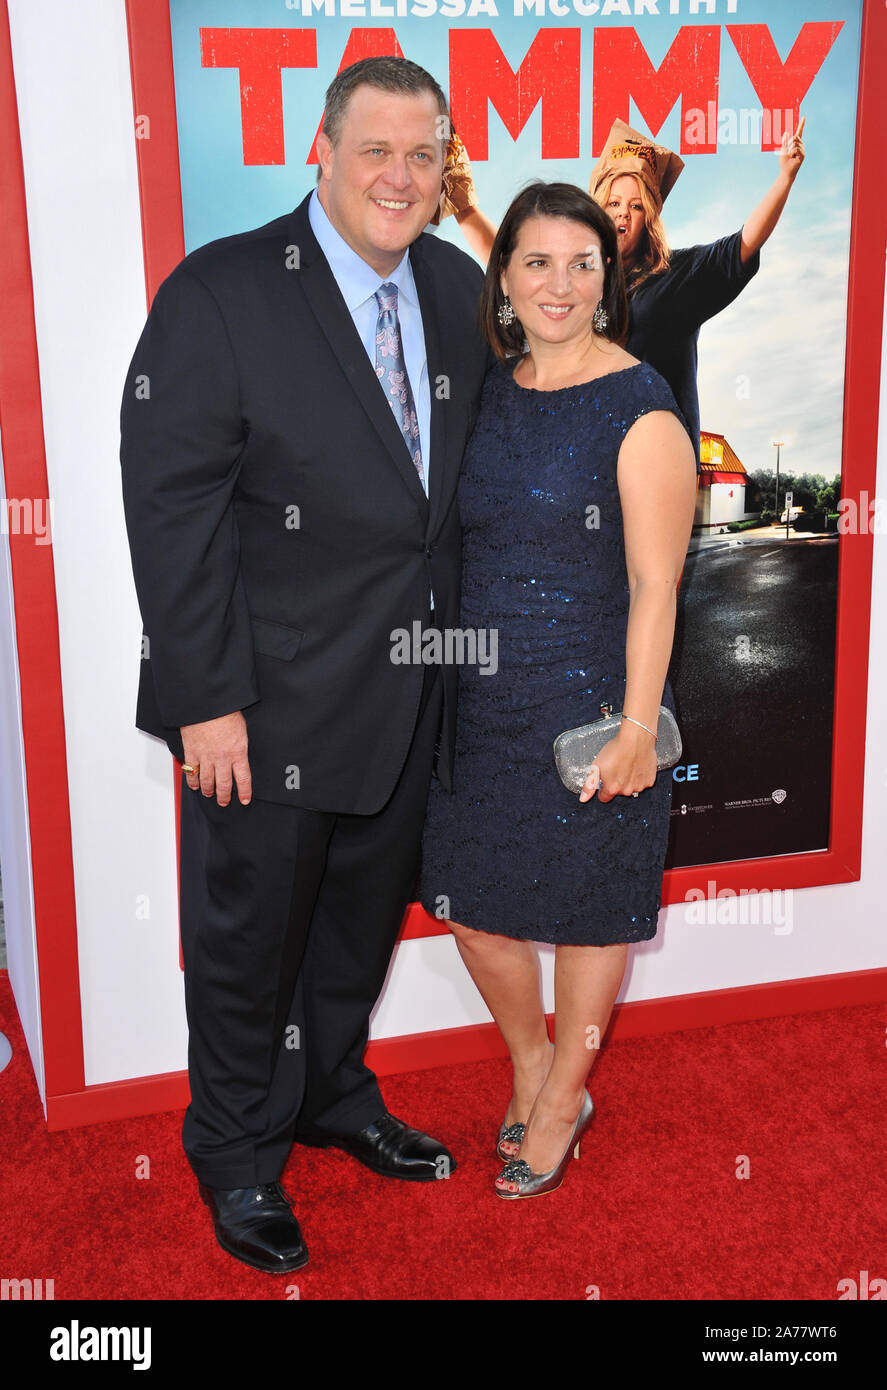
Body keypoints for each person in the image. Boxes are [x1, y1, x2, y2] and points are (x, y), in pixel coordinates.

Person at [119, 56, 490, 1273]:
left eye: (422, 154)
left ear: (445, 173)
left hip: (403, 694)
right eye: (374, 147)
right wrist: (205, 700)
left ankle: (331, 1094)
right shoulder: (221, 294)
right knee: (247, 949)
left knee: (352, 935)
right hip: (260, 710)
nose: (399, 174)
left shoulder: (448, 283)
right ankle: (234, 1153)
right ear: (318, 153)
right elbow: (169, 505)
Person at [418, 181, 697, 1198]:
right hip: (479, 707)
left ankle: (561, 1092)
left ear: (607, 280)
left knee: (587, 918)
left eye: (582, 263)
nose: (559, 283)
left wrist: (634, 725)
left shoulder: (639, 405)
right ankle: (537, 1067)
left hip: (590, 706)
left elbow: (655, 585)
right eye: (535, 261)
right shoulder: (485, 392)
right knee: (475, 913)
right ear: (504, 278)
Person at [450, 116, 806, 463]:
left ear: (649, 215)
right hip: (589, 461)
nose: (623, 215)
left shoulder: (675, 276)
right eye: (614, 204)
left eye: (636, 206)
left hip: (657, 463)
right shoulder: (580, 277)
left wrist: (785, 179)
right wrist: (463, 203)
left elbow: (741, 246)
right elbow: (512, 262)